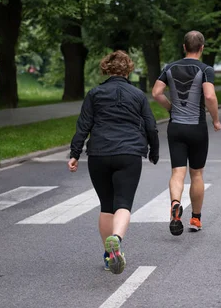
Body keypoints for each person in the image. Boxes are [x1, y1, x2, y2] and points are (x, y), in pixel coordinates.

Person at [68, 50, 159, 274]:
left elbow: (83, 126)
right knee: (124, 203)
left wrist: (74, 153)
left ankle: (110, 256)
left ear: (106, 69)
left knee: (106, 205)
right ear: (128, 69)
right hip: (128, 154)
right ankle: (116, 238)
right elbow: (151, 125)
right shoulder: (138, 95)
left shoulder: (95, 94)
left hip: (99, 154)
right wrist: (153, 151)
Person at [151, 30, 221, 236]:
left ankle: (175, 205)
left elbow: (156, 92)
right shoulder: (206, 69)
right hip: (197, 126)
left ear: (184, 47)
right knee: (197, 173)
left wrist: (171, 108)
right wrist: (215, 119)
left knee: (177, 172)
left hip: (176, 127)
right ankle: (195, 218)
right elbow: (209, 95)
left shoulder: (169, 68)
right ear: (202, 48)